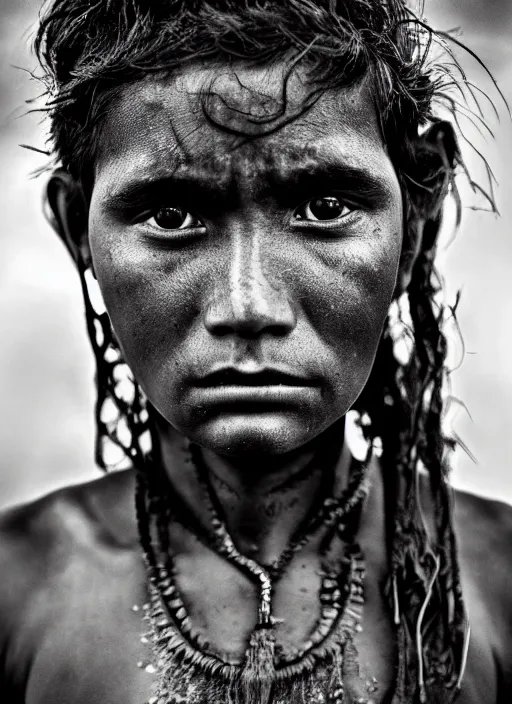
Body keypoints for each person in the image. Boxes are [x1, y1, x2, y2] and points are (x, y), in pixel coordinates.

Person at [0, 0, 511, 702]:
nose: (248, 308)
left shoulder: (503, 579)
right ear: (76, 229)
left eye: (325, 208)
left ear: (415, 224)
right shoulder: (17, 590)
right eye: (172, 215)